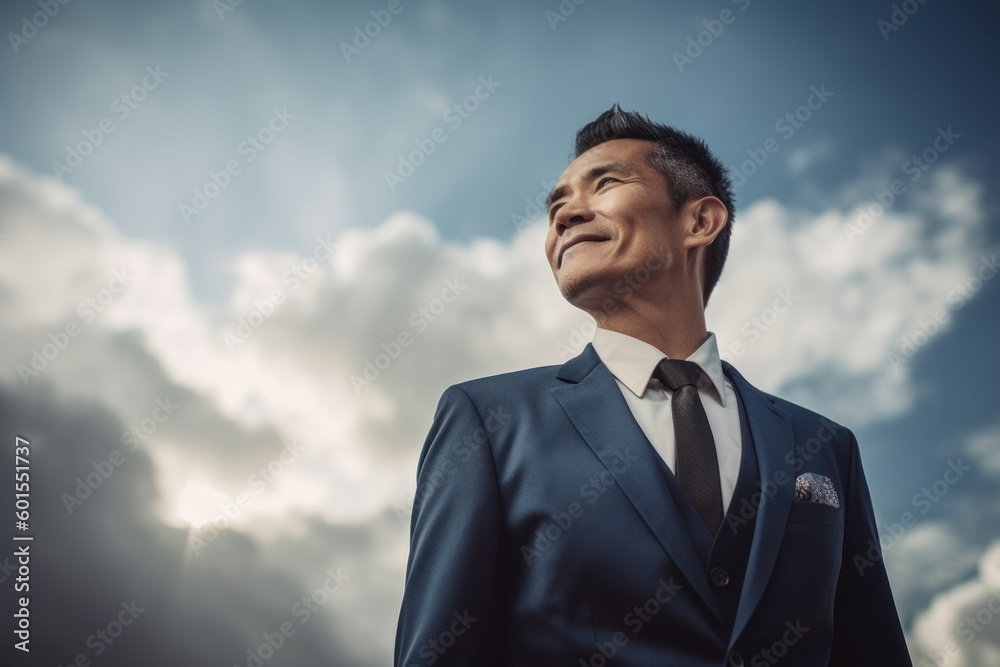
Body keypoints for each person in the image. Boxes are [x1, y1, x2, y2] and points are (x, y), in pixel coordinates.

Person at [394, 105, 911, 666]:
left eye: (605, 183)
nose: (564, 216)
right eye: (555, 206)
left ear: (700, 222)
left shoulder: (827, 445)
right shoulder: (489, 419)